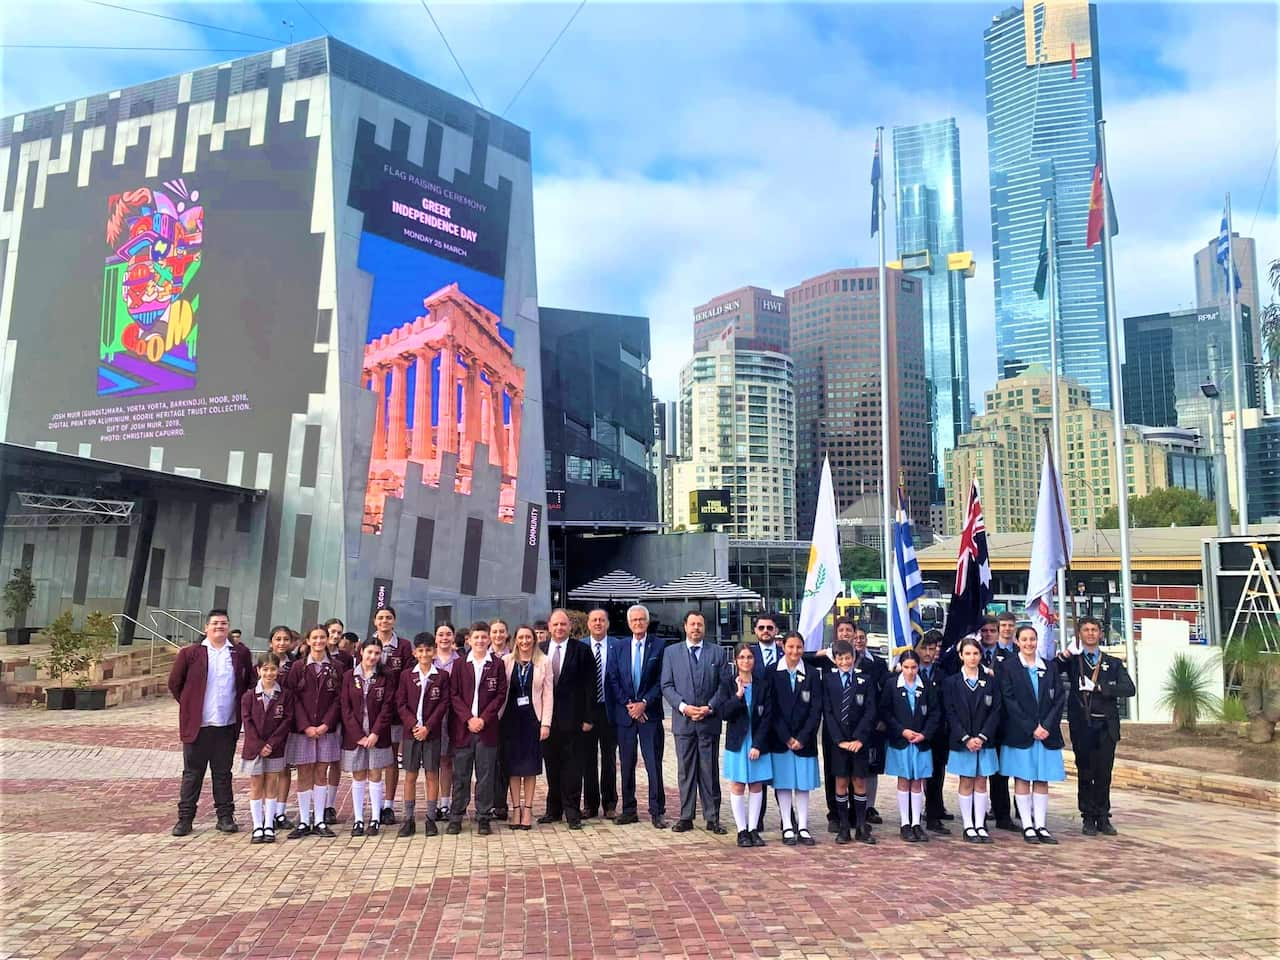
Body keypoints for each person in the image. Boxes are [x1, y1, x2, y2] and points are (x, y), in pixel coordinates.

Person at [168, 609, 256, 836]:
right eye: (215, 623)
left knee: (223, 773)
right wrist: (191, 706)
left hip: (226, 725)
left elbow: (248, 684)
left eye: (224, 623)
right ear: (206, 628)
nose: (220, 627)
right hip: (199, 725)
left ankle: (225, 817)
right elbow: (175, 684)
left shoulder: (239, 654)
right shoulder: (190, 653)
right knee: (192, 774)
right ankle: (185, 819)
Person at [1059, 616, 1135, 836]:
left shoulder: (1112, 662)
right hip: (1083, 724)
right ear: (1080, 634)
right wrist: (1066, 654)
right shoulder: (1074, 661)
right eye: (1086, 630)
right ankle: (1088, 816)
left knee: (1104, 772)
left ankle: (1103, 815)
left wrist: (1100, 687)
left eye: (1094, 630)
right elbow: (1052, 669)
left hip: (1106, 725)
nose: (1090, 633)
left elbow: (1128, 688)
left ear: (1100, 634)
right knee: (1085, 771)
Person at [661, 610, 729, 835]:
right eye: (692, 624)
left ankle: (712, 817)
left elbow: (724, 685)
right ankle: (686, 816)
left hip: (709, 720)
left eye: (700, 624)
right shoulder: (671, 653)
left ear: (704, 628)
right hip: (683, 722)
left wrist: (710, 707)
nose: (696, 628)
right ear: (685, 626)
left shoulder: (718, 653)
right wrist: (683, 707)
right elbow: (667, 685)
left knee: (709, 770)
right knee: (685, 770)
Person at [999, 624, 1068, 845]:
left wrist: (1046, 725)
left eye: (1033, 639)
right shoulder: (1009, 667)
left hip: (1047, 734)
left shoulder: (1049, 667)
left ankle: (1041, 824)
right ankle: (1027, 825)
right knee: (1022, 777)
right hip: (1021, 733)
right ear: (1017, 642)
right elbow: (1009, 700)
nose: (1029, 643)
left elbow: (1058, 698)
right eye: (1025, 639)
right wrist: (1031, 727)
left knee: (1041, 778)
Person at [605, 604, 667, 828]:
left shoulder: (660, 646)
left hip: (650, 716)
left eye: (642, 619)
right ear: (629, 623)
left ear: (647, 622)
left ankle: (657, 810)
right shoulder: (619, 647)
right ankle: (629, 809)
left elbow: (662, 680)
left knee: (653, 764)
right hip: (626, 716)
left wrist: (644, 703)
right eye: (634, 620)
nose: (638, 623)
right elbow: (612, 678)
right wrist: (630, 705)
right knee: (627, 764)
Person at [447, 622, 507, 836]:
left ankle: (483, 816)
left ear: (489, 639)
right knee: (461, 774)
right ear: (469, 640)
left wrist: (483, 718)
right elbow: (453, 695)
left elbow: (500, 694)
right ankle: (456, 816)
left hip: (487, 729)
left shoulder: (497, 665)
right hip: (464, 729)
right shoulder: (460, 664)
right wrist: (468, 719)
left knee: (485, 775)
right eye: (477, 637)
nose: (480, 641)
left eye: (484, 637)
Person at [539, 609, 595, 830]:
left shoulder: (581, 650)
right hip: (547, 721)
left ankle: (572, 812)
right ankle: (553, 810)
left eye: (563, 624)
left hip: (574, 720)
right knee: (551, 766)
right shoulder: (540, 650)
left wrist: (589, 718)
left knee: (573, 768)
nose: (559, 628)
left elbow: (591, 686)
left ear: (569, 627)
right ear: (549, 626)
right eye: (555, 625)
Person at [284, 625, 342, 838]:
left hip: (326, 729)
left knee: (321, 772)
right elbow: (292, 698)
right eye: (315, 637)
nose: (319, 641)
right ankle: (303, 821)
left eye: (322, 637)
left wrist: (326, 724)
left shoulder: (336, 666)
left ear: (328, 640)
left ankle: (319, 820)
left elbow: (338, 699)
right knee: (304, 772)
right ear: (307, 641)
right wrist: (306, 725)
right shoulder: (298, 667)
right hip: (303, 730)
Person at [943, 637, 1002, 843]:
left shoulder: (990, 681)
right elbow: (950, 713)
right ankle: (968, 825)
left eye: (975, 653)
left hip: (985, 741)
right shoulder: (951, 682)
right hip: (962, 742)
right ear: (960, 656)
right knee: (966, 780)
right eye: (967, 654)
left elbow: (996, 710)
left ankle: (980, 824)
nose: (972, 657)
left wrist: (983, 736)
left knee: (981, 781)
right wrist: (966, 737)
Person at [768, 630, 822, 846]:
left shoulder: (811, 673)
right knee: (783, 783)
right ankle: (787, 825)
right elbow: (771, 709)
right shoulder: (773, 672)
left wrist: (802, 736)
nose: (794, 651)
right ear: (783, 647)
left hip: (804, 740)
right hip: (781, 741)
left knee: (802, 784)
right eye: (790, 647)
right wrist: (786, 737)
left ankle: (803, 826)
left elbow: (816, 708)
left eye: (799, 647)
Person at [821, 638, 877, 845]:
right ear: (835, 660)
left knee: (860, 782)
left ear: (854, 658)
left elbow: (870, 711)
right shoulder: (828, 680)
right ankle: (843, 826)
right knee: (841, 782)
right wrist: (839, 740)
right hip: (839, 743)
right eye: (841, 658)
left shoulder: (865, 679)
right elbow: (827, 711)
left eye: (848, 658)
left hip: (858, 742)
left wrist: (860, 739)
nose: (845, 662)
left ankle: (861, 826)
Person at [882, 649, 941, 843]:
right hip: (901, 740)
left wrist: (924, 734)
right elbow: (886, 712)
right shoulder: (892, 685)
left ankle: (916, 823)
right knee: (904, 780)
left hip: (921, 742)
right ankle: (905, 823)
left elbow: (934, 712)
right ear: (901, 667)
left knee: (918, 781)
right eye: (906, 667)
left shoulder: (926, 686)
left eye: (914, 667)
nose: (910, 671)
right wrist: (902, 731)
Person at [395, 632, 450, 838]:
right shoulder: (406, 675)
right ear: (414, 653)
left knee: (431, 774)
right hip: (411, 734)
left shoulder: (442, 676)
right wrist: (413, 725)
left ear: (434, 652)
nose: (425, 654)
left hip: (432, 733)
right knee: (410, 775)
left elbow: (444, 703)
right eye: (421, 650)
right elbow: (400, 704)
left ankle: (430, 818)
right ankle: (408, 819)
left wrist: (427, 727)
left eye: (428, 650)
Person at [720, 643, 774, 848]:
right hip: (738, 742)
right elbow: (724, 713)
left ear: (754, 660)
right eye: (741, 657)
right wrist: (738, 696)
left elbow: (768, 716)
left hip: (758, 741)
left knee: (756, 784)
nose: (746, 661)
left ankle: (753, 829)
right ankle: (741, 830)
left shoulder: (763, 684)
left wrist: (758, 744)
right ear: (736, 660)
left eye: (749, 657)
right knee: (738, 785)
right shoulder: (728, 683)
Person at [501, 625, 553, 830]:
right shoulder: (506, 661)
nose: (524, 641)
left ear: (534, 639)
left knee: (530, 767)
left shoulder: (544, 662)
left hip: (533, 719)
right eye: (520, 637)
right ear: (515, 640)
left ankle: (528, 809)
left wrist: (546, 723)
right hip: (510, 720)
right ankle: (515, 809)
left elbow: (548, 694)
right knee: (513, 768)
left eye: (528, 637)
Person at [341, 638, 395, 836]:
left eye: (377, 653)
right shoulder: (349, 676)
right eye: (370, 652)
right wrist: (357, 735)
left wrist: (375, 733)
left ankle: (375, 818)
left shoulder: (386, 676)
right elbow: (345, 707)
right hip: (355, 735)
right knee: (358, 775)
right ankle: (358, 819)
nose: (373, 657)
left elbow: (388, 707)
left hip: (377, 735)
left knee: (375, 774)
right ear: (361, 651)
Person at [241, 653, 293, 843]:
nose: (269, 673)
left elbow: (286, 721)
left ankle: (269, 824)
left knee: (272, 783)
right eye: (265, 669)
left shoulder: (285, 695)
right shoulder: (248, 696)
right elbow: (247, 722)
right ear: (258, 671)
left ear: (278, 670)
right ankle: (257, 825)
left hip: (275, 747)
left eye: (273, 669)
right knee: (256, 785)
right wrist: (259, 745)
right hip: (254, 748)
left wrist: (271, 744)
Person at [371, 606, 413, 825]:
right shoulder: (367, 645)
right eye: (380, 618)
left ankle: (388, 805)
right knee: (374, 760)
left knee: (391, 759)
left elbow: (406, 679)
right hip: (372, 712)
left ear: (394, 621)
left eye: (388, 617)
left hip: (395, 713)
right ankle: (375, 804)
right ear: (374, 621)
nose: (384, 621)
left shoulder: (404, 646)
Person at [977, 615, 1017, 831]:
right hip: (977, 722)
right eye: (984, 631)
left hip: (1001, 721)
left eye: (992, 630)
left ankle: (1003, 816)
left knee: (1000, 773)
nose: (988, 634)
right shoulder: (972, 653)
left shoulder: (1010, 656)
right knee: (978, 773)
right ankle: (977, 817)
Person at [849, 622, 889, 824]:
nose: (858, 640)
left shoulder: (879, 664)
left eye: (862, 637)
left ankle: (869, 807)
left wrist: (882, 719)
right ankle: (853, 806)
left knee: (872, 767)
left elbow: (883, 695)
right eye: (855, 637)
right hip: (850, 726)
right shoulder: (844, 661)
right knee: (853, 768)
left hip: (874, 725)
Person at [582, 608, 619, 820]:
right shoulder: (581, 646)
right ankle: (590, 804)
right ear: (588, 624)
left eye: (601, 620)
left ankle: (610, 803)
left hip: (609, 709)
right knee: (588, 759)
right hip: (588, 710)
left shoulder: (617, 646)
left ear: (607, 624)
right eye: (594, 620)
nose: (598, 623)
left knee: (609, 758)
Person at [916, 631, 952, 834]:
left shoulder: (941, 674)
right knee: (913, 777)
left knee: (936, 775)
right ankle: (912, 816)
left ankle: (933, 815)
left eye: (932, 649)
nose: (928, 653)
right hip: (915, 731)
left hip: (937, 733)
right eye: (924, 649)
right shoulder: (909, 671)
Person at [267, 625, 299, 832]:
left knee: (285, 768)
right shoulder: (263, 662)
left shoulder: (295, 664)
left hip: (289, 719)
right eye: (278, 639)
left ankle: (280, 811)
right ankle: (266, 812)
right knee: (266, 771)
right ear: (271, 642)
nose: (281, 643)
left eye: (285, 639)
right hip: (267, 722)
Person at [320, 616, 347, 824]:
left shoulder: (345, 658)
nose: (335, 636)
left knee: (334, 761)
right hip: (314, 717)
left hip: (337, 715)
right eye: (332, 632)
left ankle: (329, 804)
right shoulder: (307, 654)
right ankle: (315, 804)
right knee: (315, 763)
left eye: (339, 633)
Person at [432, 623, 460, 823]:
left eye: (448, 634)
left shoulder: (461, 661)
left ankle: (447, 803)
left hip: (455, 716)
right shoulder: (427, 659)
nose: (444, 638)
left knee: (451, 761)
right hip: (433, 718)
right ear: (435, 638)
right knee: (437, 761)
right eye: (441, 634)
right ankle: (434, 804)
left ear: (454, 637)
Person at [488, 619, 512, 821]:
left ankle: (501, 803)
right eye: (494, 631)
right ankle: (486, 803)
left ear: (507, 634)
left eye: (501, 631)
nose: (498, 635)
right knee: (487, 763)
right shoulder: (481, 656)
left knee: (503, 761)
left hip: (508, 715)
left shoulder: (513, 657)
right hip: (487, 717)